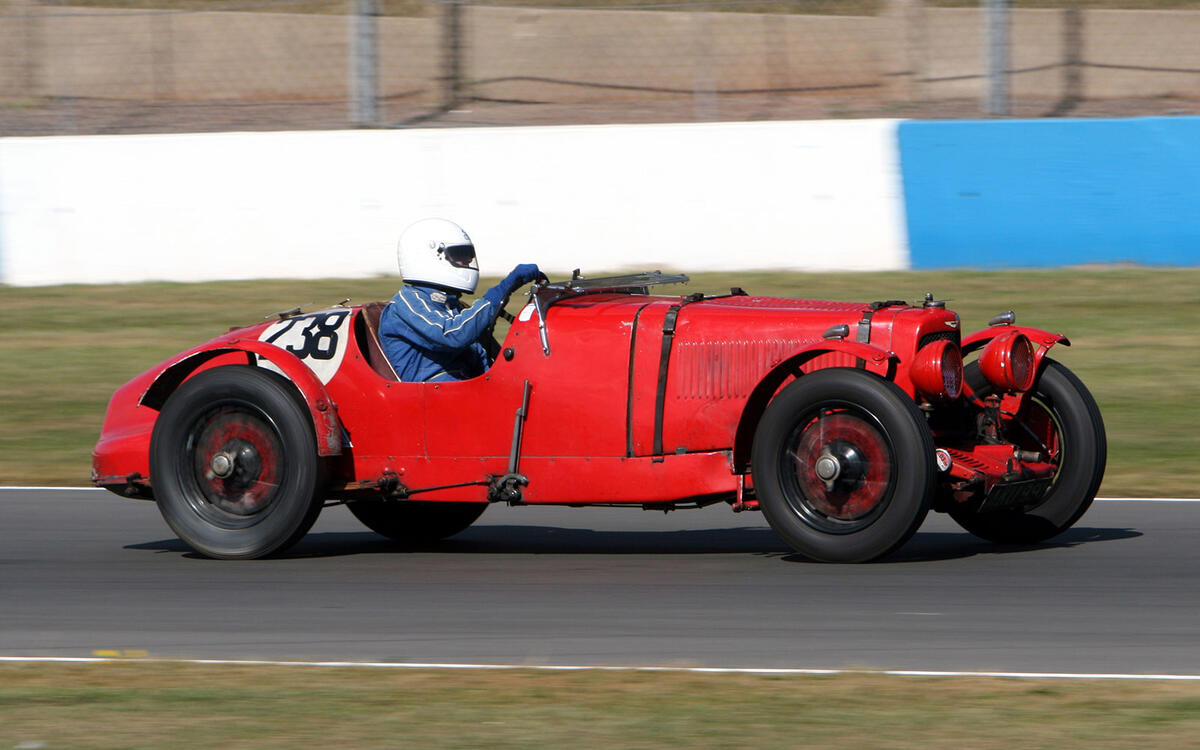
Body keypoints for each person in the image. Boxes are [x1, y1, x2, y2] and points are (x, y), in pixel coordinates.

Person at [379, 218, 542, 382]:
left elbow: (478, 356)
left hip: (462, 392)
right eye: (460, 254)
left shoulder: (449, 304)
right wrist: (502, 290)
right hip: (432, 398)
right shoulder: (407, 304)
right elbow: (453, 335)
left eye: (468, 255)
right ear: (430, 257)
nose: (468, 261)